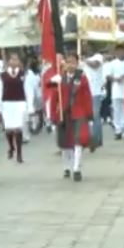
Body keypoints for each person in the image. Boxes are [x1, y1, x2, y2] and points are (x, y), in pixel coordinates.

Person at [46, 53, 93, 182]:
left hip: (79, 112)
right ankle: (67, 166)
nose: (70, 65)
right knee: (65, 142)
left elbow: (87, 96)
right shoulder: (60, 78)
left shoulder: (82, 78)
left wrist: (89, 114)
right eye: (68, 62)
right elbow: (52, 94)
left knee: (78, 140)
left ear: (77, 63)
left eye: (73, 62)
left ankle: (77, 168)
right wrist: (53, 114)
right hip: (63, 113)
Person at [0, 53, 29, 163]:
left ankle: (19, 153)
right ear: (9, 61)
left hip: (19, 102)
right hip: (7, 103)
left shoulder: (23, 74)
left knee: (18, 128)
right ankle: (11, 147)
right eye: (12, 59)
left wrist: (28, 106)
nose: (14, 62)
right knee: (9, 128)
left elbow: (27, 90)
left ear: (19, 62)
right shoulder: (2, 75)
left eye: (16, 60)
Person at [82, 53, 105, 149]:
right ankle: (92, 139)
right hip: (85, 92)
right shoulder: (82, 62)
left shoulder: (98, 56)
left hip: (95, 92)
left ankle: (96, 139)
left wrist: (84, 59)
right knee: (87, 117)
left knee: (95, 116)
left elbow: (95, 65)